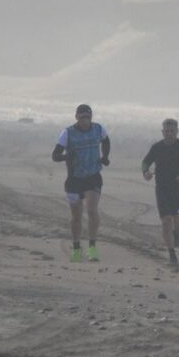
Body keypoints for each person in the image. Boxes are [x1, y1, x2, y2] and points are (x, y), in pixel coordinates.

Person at [140, 118, 179, 268]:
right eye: (166, 131)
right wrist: (146, 172)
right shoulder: (157, 147)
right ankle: (171, 254)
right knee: (166, 220)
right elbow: (145, 162)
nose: (169, 134)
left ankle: (177, 234)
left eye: (172, 131)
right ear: (162, 132)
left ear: (177, 132)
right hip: (162, 189)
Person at [51, 103, 109, 262]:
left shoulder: (98, 129)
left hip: (93, 176)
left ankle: (92, 247)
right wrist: (66, 157)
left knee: (92, 210)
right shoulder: (67, 133)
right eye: (82, 117)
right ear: (76, 117)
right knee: (76, 216)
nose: (85, 120)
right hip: (74, 179)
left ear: (91, 117)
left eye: (88, 117)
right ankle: (76, 247)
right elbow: (55, 155)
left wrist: (105, 157)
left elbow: (106, 141)